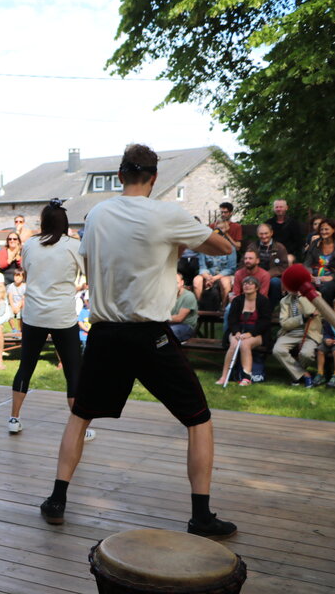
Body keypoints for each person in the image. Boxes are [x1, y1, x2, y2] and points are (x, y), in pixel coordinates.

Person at [39, 143, 236, 539]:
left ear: (119, 175)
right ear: (155, 177)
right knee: (199, 419)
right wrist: (194, 237)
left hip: (105, 333)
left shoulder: (96, 215)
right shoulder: (167, 214)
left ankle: (57, 500)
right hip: (149, 335)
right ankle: (201, 516)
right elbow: (224, 248)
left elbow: (95, 260)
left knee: (81, 415)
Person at [8, 200, 90, 439]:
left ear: (42, 222)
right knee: (74, 371)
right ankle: (79, 429)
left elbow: (31, 271)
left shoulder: (30, 244)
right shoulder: (74, 246)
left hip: (33, 314)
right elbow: (88, 273)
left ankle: (14, 417)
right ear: (65, 223)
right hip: (62, 316)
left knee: (26, 366)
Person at [218, 276, 272, 385]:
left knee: (245, 344)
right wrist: (236, 332)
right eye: (245, 284)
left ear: (256, 287)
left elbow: (265, 321)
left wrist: (250, 334)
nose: (247, 285)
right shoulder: (237, 300)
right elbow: (232, 319)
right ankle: (224, 376)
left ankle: (246, 377)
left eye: (250, 283)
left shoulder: (263, 301)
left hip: (257, 332)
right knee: (234, 344)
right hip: (237, 330)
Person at [272, 288, 320, 388]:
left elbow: (310, 311)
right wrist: (302, 318)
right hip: (291, 332)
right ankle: (304, 374)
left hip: (311, 333)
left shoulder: (316, 295)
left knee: (306, 354)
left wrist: (301, 297)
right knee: (278, 350)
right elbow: (285, 324)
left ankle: (296, 376)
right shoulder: (284, 300)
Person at [246, 223, 288, 305]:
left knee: (275, 282)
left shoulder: (280, 247)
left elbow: (284, 267)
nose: (264, 236)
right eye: (261, 234)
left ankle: (271, 308)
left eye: (266, 233)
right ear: (258, 234)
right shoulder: (252, 247)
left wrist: (267, 275)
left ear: (271, 233)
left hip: (273, 277)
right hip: (255, 275)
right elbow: (244, 263)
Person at [192, 244, 236, 309]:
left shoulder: (230, 248)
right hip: (208, 275)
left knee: (225, 282)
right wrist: (207, 277)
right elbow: (202, 267)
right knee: (196, 281)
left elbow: (231, 269)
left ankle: (223, 308)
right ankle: (200, 306)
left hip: (224, 275)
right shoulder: (203, 248)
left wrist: (214, 278)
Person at [304, 218, 335, 304]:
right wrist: (309, 275)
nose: (323, 232)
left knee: (327, 288)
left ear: (334, 230)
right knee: (305, 287)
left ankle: (326, 315)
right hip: (316, 276)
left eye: (326, 229)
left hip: (332, 277)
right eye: (321, 229)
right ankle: (310, 315)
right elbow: (307, 263)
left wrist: (332, 277)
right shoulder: (315, 244)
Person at [315, 297, 335, 387]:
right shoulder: (329, 319)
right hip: (331, 341)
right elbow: (326, 332)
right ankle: (320, 373)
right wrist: (326, 339)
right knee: (320, 350)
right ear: (333, 308)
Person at [170, 273, 199, 343]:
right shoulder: (168, 295)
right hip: (170, 324)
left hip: (186, 326)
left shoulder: (188, 296)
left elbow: (179, 318)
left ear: (182, 283)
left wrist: (162, 318)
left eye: (176, 283)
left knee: (169, 333)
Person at [7, 268, 26, 333]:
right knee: (8, 313)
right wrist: (12, 307)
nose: (17, 278)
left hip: (21, 305)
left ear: (23, 277)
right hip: (13, 304)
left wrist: (18, 307)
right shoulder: (11, 286)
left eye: (19, 276)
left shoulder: (24, 286)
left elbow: (23, 298)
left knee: (20, 315)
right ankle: (14, 329)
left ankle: (20, 329)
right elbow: (10, 297)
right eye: (16, 276)